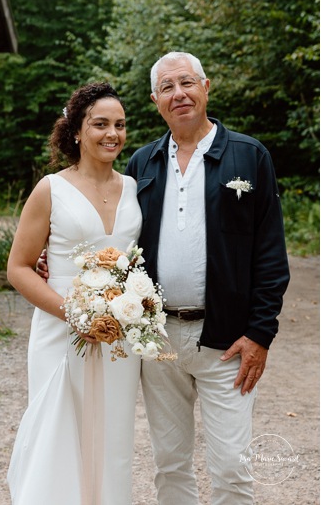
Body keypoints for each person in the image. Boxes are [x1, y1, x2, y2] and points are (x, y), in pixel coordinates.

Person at [125, 52, 289, 504]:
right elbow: (114, 238)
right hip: (158, 341)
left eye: (187, 83)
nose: (178, 94)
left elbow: (271, 254)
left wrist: (260, 333)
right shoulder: (142, 163)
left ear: (206, 87)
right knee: (170, 465)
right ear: (155, 100)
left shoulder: (249, 155)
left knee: (232, 465)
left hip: (228, 343)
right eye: (167, 88)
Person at [6, 83, 142, 504]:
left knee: (112, 435)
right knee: (58, 432)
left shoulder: (135, 187)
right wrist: (76, 314)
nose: (112, 134)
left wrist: (132, 301)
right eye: (100, 124)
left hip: (120, 332)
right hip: (61, 328)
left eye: (119, 125)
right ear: (77, 131)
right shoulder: (51, 188)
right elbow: (18, 268)